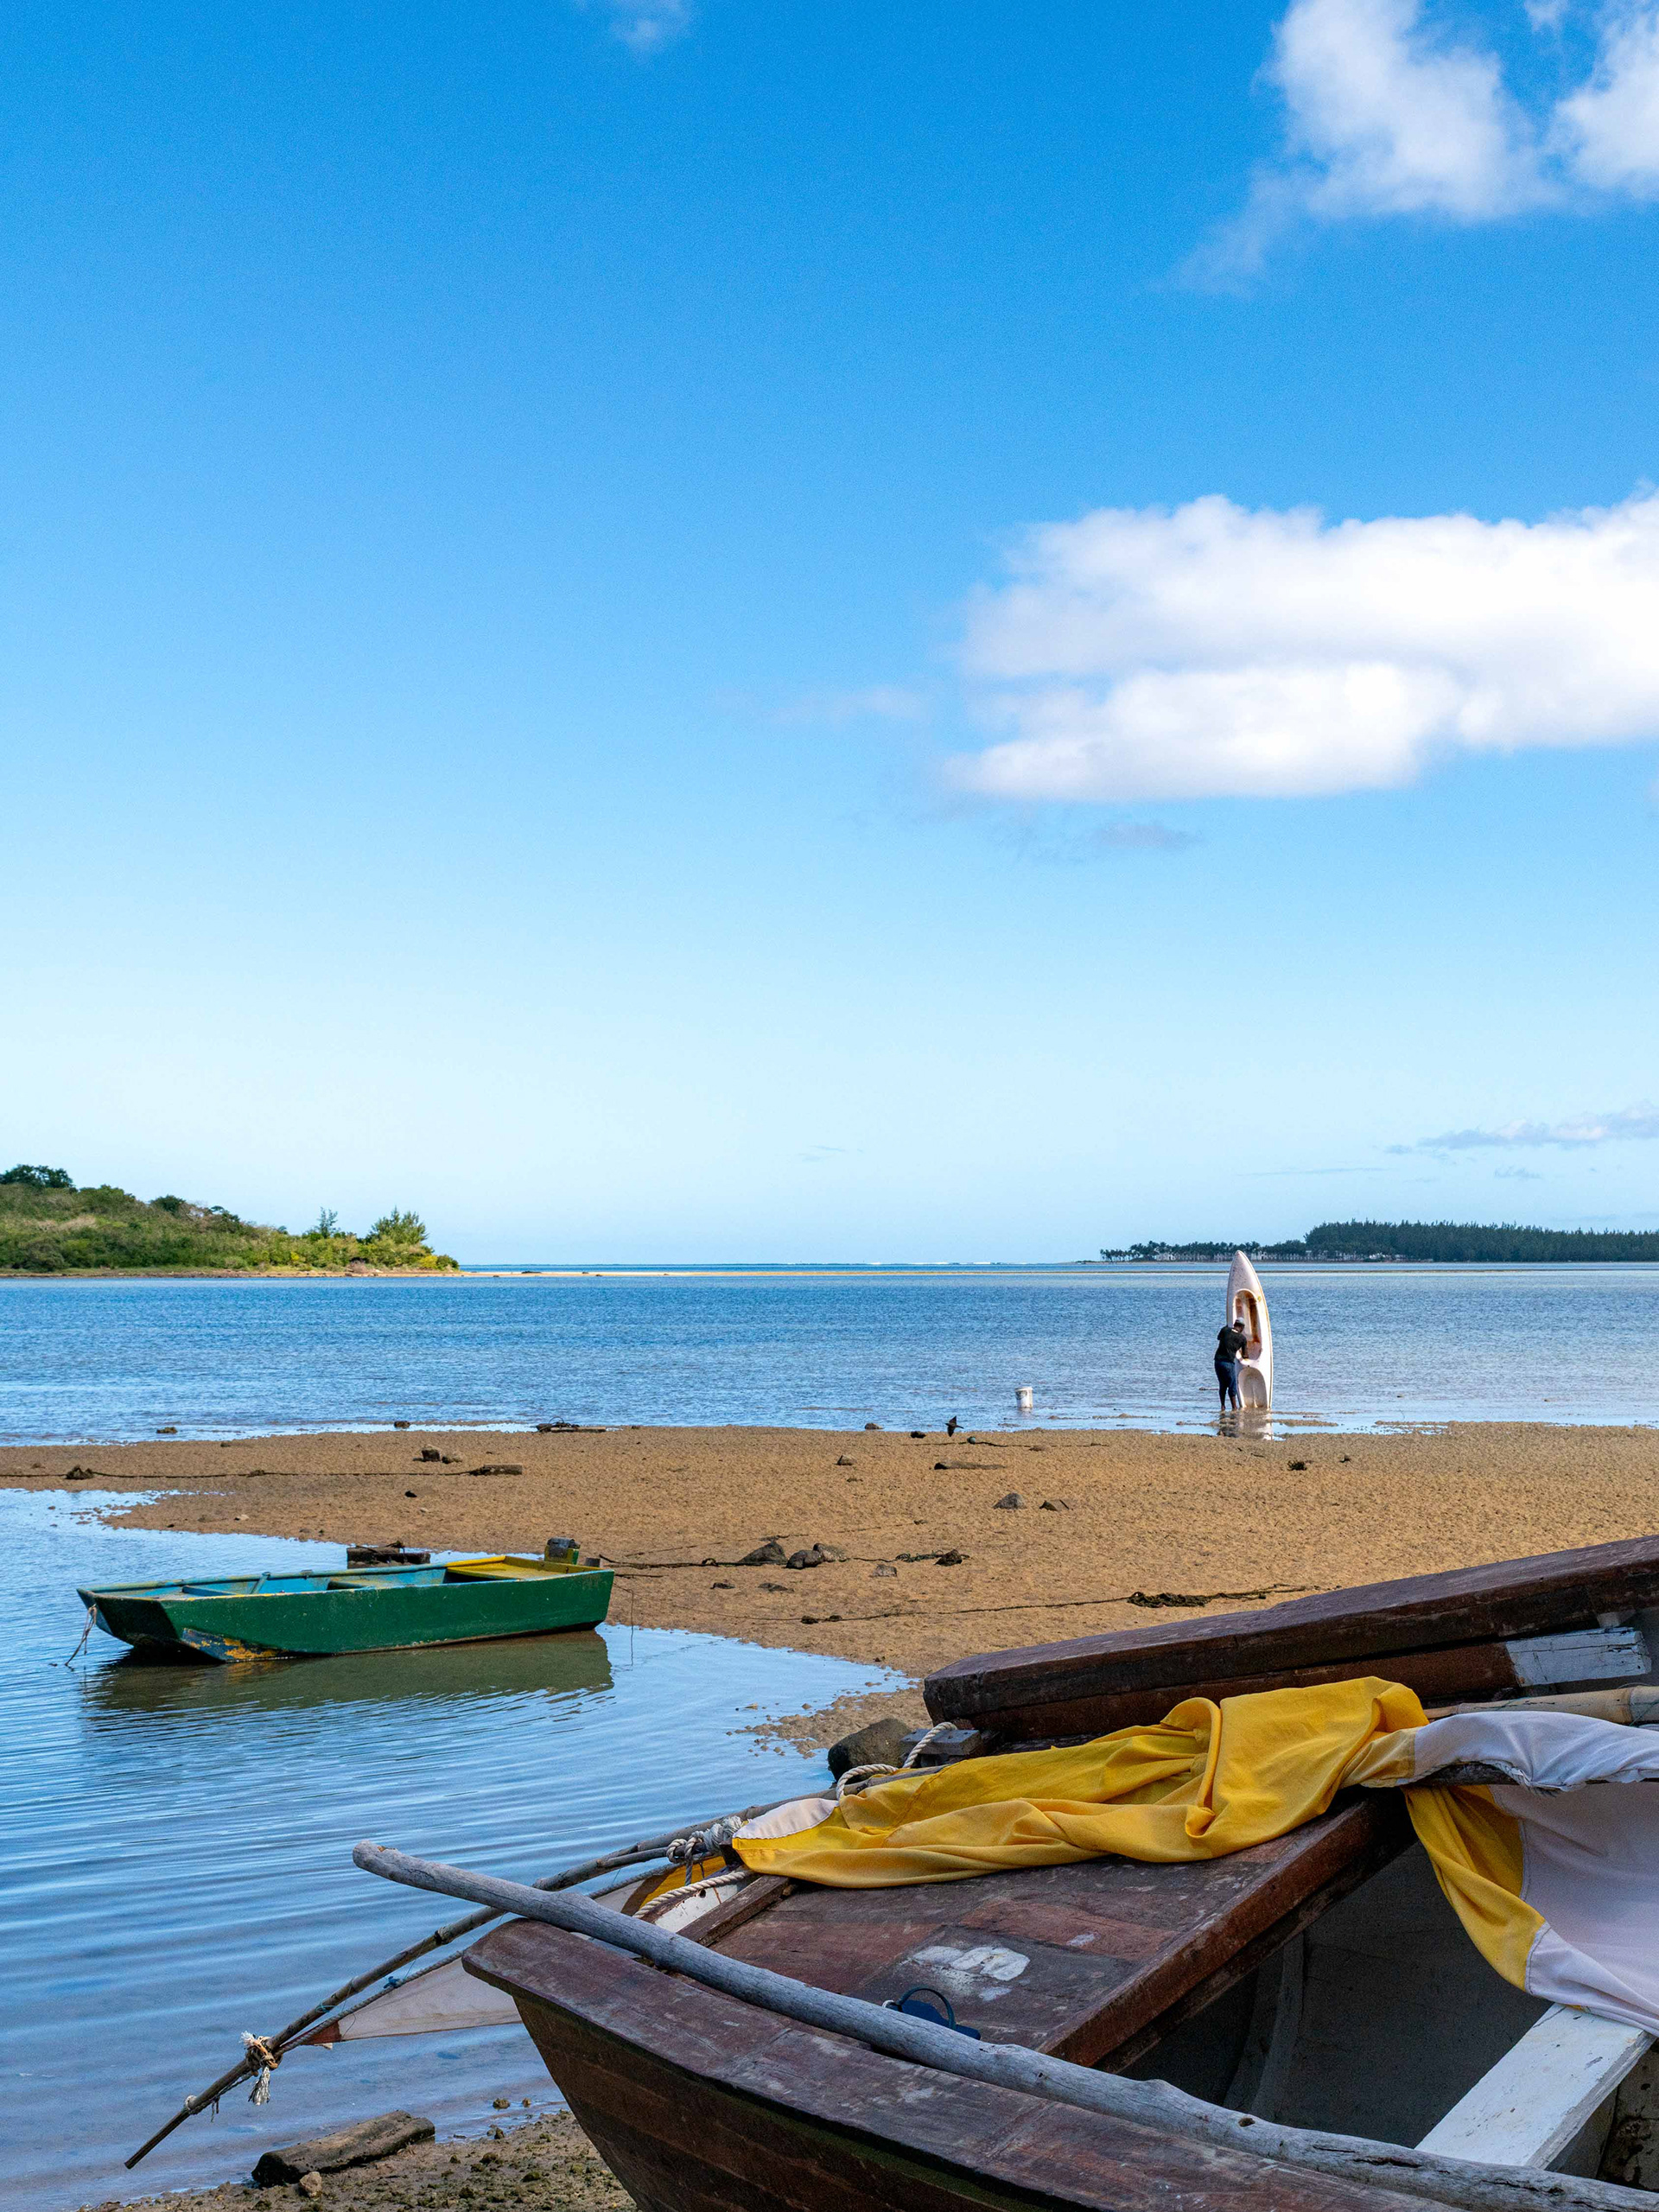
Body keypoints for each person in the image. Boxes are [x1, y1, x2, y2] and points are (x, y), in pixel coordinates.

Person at [1215, 1319, 1245, 1412]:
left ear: (1235, 1324)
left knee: (1222, 1384)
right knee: (1232, 1385)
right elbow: (1245, 1354)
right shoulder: (1242, 1338)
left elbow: (1219, 1338)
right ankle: (1234, 1407)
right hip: (1228, 1363)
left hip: (1218, 1361)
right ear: (1242, 1327)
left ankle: (1223, 1406)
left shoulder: (1225, 1330)